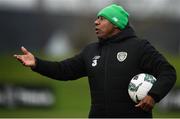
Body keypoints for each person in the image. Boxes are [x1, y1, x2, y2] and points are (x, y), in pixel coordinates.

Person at [14, 4, 176, 118]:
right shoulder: (91, 51)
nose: (95, 22)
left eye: (101, 19)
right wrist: (37, 63)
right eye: (96, 18)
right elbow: (63, 70)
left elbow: (168, 72)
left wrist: (153, 95)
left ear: (116, 23)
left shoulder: (139, 47)